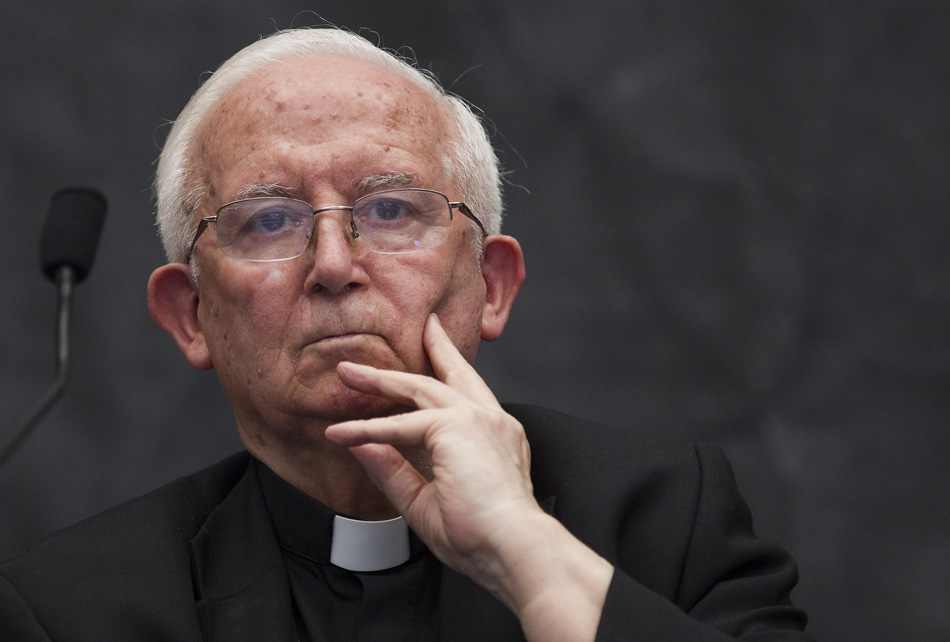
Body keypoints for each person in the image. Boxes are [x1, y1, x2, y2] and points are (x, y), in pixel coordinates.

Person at [0, 27, 811, 641]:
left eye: (390, 210)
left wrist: (528, 553)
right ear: (191, 314)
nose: (332, 264)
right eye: (269, 220)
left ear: (491, 287)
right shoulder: (66, 609)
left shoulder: (667, 521)